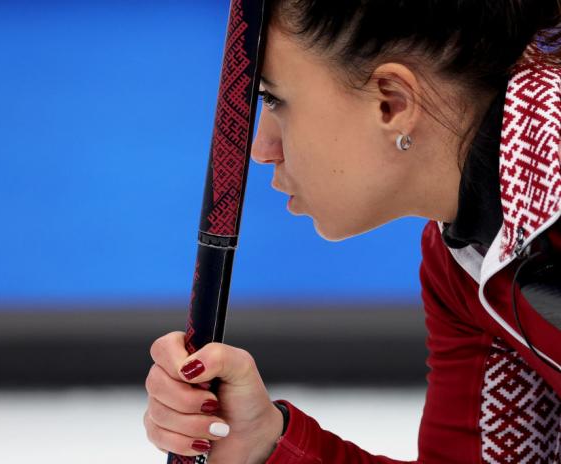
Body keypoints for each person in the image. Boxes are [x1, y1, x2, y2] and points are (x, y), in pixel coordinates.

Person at [143, 1, 561, 462]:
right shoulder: (465, 265)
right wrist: (264, 446)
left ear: (392, 102)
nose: (261, 149)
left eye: (275, 98)